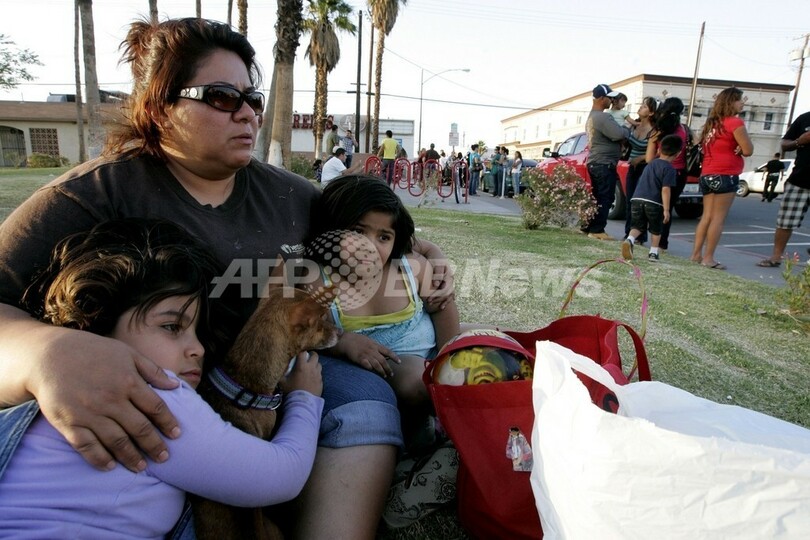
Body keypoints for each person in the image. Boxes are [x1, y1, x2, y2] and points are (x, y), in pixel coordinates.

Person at [0, 18, 451, 539]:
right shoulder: (90, 197)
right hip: (164, 395)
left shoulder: (291, 195)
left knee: (366, 404)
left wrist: (432, 257)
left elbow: (382, 233)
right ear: (160, 104)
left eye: (252, 99)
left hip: (282, 377)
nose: (247, 114)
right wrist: (45, 354)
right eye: (220, 96)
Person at [0, 218, 324, 536]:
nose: (197, 348)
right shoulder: (155, 398)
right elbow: (280, 476)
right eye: (172, 327)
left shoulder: (49, 394)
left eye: (197, 332)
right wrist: (305, 400)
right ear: (98, 325)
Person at [305, 175, 461, 441]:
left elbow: (442, 308)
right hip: (390, 365)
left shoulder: (410, 268)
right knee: (415, 382)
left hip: (434, 351)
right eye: (357, 232)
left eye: (384, 237)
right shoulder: (318, 278)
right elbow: (309, 329)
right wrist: (342, 342)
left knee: (492, 344)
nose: (370, 245)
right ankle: (422, 428)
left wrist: (452, 359)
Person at [689, 87, 754, 270]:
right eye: (740, 100)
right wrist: (741, 148)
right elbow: (748, 150)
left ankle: (696, 254)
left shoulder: (712, 124)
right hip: (726, 173)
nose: (743, 103)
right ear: (730, 102)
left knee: (706, 216)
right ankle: (708, 258)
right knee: (718, 218)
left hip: (707, 173)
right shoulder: (735, 122)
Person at [757, 111, 810, 268]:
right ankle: (776, 256)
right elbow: (785, 143)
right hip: (800, 179)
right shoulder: (805, 118)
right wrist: (800, 141)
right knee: (785, 221)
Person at [621, 134, 683, 262]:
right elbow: (665, 189)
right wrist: (666, 209)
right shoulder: (669, 169)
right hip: (654, 202)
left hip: (637, 199)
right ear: (677, 154)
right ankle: (653, 252)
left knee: (638, 225)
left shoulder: (650, 164)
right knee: (656, 228)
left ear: (659, 150)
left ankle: (630, 239)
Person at [582, 83, 629, 239]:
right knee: (605, 197)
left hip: (595, 161)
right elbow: (618, 134)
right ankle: (597, 230)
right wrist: (627, 129)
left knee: (597, 196)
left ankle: (589, 227)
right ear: (602, 98)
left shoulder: (592, 116)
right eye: (610, 98)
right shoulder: (603, 117)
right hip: (604, 162)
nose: (612, 101)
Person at [645, 97, 689, 250]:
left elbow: (649, 159)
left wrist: (659, 154)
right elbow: (697, 143)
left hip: (658, 171)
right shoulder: (684, 130)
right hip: (678, 173)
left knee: (652, 206)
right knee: (667, 209)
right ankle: (662, 243)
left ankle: (639, 237)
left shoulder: (657, 130)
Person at [624, 96, 658, 244]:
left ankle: (639, 236)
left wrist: (642, 157)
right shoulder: (634, 126)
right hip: (631, 167)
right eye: (641, 105)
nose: (640, 107)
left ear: (651, 113)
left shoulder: (654, 130)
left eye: (644, 106)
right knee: (630, 200)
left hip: (645, 168)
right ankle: (628, 234)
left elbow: (657, 152)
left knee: (640, 202)